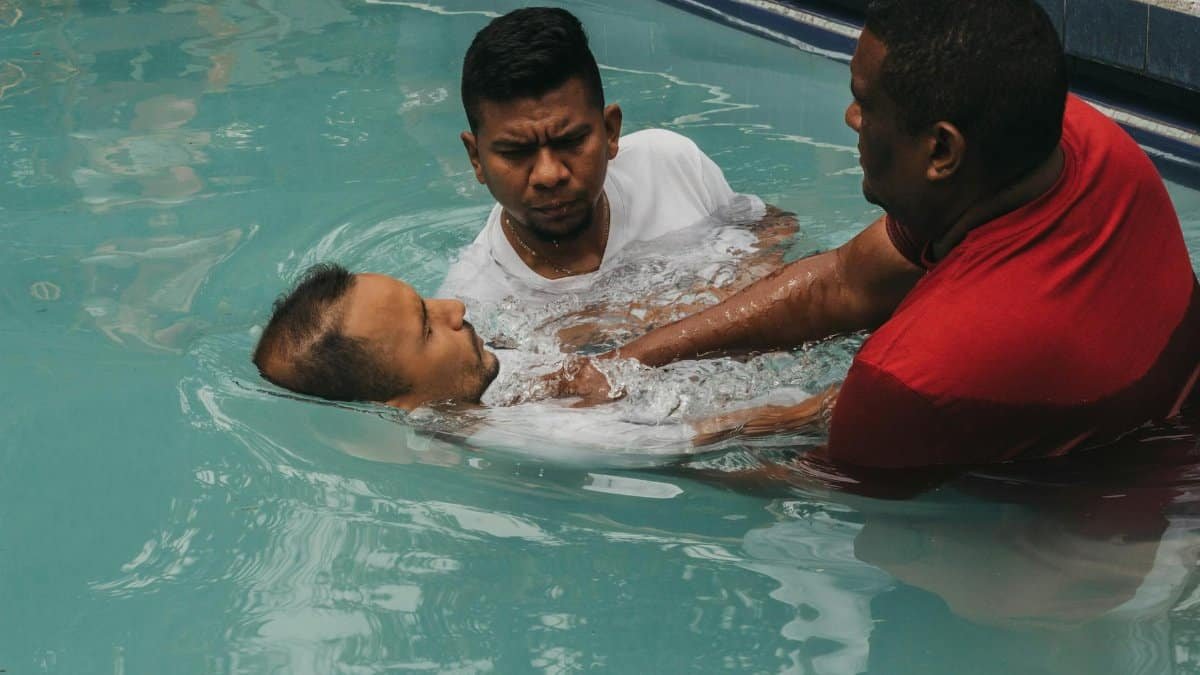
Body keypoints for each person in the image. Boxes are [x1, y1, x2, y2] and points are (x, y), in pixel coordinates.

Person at [555, 0, 1200, 470]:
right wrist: (624, 363)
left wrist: (601, 438)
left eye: (866, 102)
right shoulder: (1086, 140)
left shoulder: (917, 373)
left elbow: (803, 472)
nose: (850, 117)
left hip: (1123, 524)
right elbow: (842, 283)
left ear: (940, 151)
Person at [252, 264, 829, 448]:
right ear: (405, 404)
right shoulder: (525, 435)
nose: (453, 305)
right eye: (428, 326)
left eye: (426, 300)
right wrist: (825, 410)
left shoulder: (467, 377)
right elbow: (718, 434)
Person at [440, 7, 764, 304]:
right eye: (516, 152)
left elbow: (770, 229)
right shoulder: (475, 304)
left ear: (610, 131)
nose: (549, 174)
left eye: (570, 141)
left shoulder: (670, 164)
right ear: (476, 158)